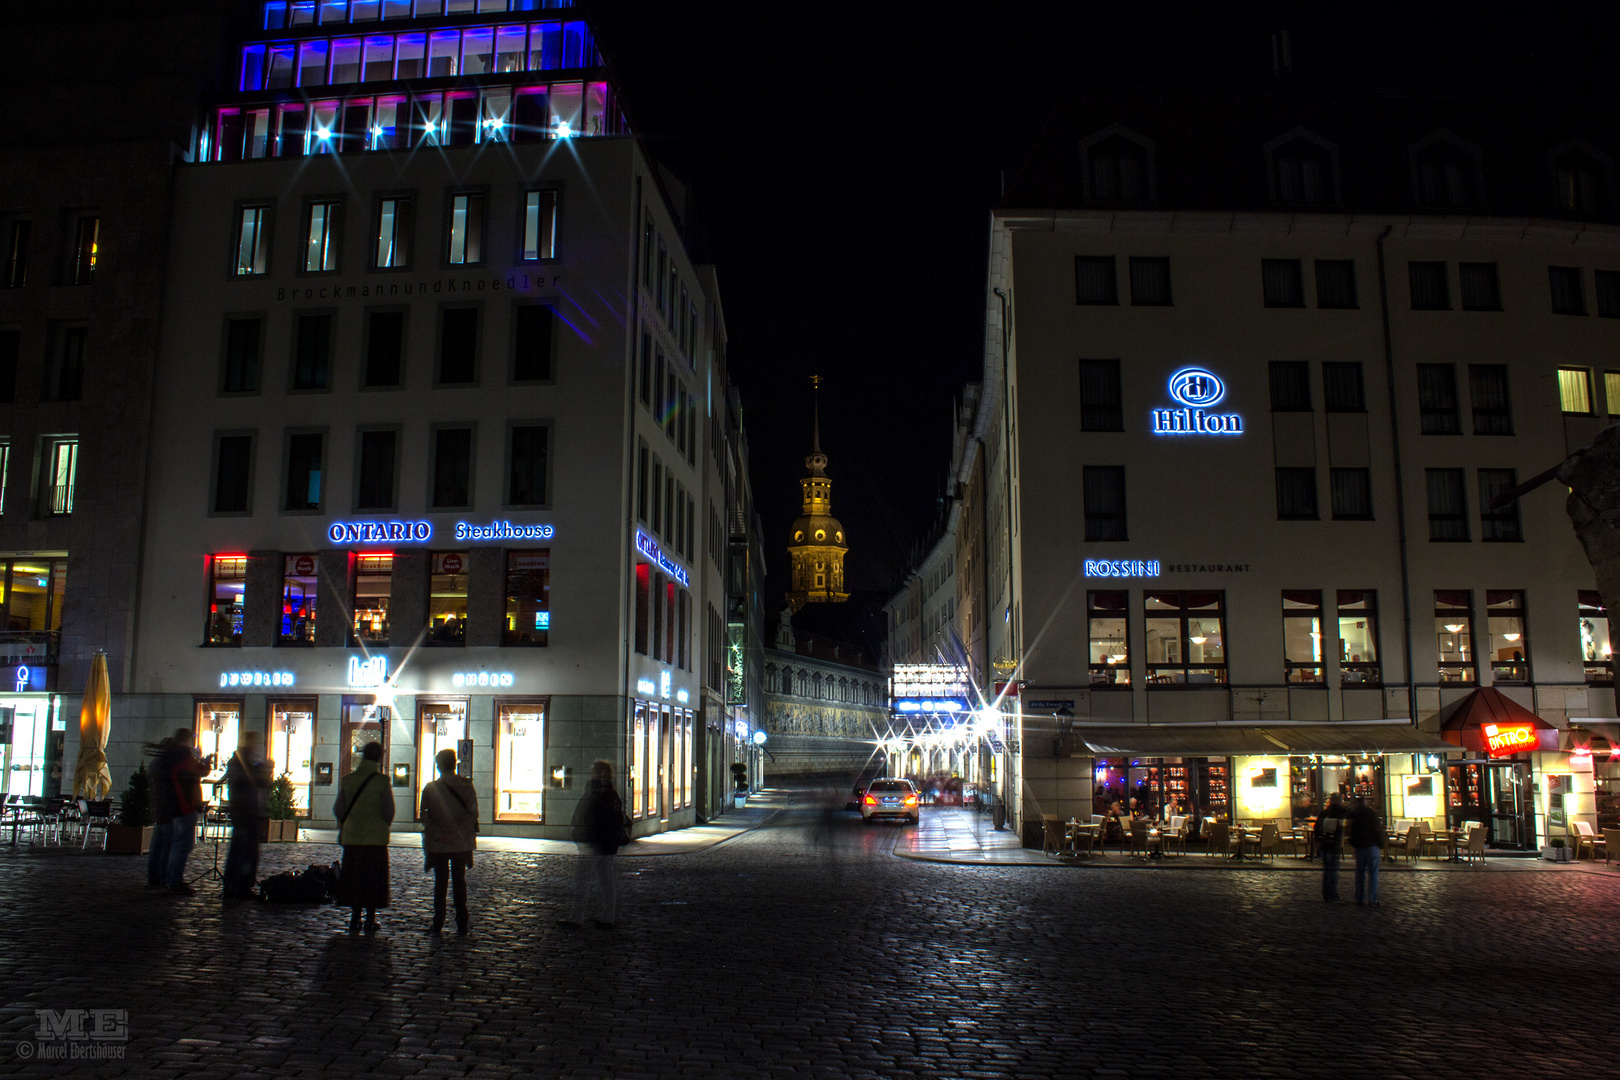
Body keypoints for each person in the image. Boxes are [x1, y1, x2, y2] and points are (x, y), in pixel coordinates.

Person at [335, 741, 395, 934]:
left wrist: (349, 821)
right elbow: (389, 811)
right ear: (379, 757)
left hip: (352, 839)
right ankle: (370, 918)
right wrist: (381, 823)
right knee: (373, 880)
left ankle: (354, 917)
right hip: (375, 840)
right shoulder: (382, 781)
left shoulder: (348, 780)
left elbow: (338, 808)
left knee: (354, 878)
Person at [560, 759, 627, 930]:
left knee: (582, 879)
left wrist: (584, 836)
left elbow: (591, 818)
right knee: (606, 880)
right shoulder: (611, 795)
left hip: (595, 844)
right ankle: (607, 917)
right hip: (606, 845)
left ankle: (576, 918)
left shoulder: (597, 794)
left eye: (596, 772)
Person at [420, 748, 478, 934]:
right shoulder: (467, 786)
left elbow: (425, 818)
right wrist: (457, 834)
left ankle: (438, 921)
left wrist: (439, 835)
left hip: (439, 844)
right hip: (460, 843)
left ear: (438, 766)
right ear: (455, 765)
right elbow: (472, 815)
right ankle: (462, 920)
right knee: (459, 882)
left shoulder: (430, 788)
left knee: (440, 883)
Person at [153, 729, 208, 896]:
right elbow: (201, 771)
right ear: (187, 741)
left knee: (175, 844)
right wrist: (206, 762)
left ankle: (168, 879)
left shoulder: (167, 756)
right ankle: (174, 880)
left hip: (173, 805)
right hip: (185, 805)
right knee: (182, 845)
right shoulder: (182, 756)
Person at [222, 731, 272, 902]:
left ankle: (236, 885)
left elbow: (260, 783)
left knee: (244, 850)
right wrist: (264, 771)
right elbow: (252, 782)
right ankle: (238, 886)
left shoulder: (244, 761)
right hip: (244, 811)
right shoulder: (241, 762)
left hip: (246, 810)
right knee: (243, 851)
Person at [1348, 795, 1384, 907]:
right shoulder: (1371, 814)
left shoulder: (1354, 815)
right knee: (1373, 873)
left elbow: (1351, 832)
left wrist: (1353, 844)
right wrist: (1381, 844)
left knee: (1360, 873)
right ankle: (1372, 899)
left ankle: (1359, 898)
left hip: (1360, 847)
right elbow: (1377, 830)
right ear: (1366, 803)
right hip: (1372, 846)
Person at [1314, 793, 1348, 902]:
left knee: (1327, 871)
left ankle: (1326, 894)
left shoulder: (1324, 813)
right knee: (1332, 871)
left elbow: (1316, 828)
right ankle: (1332, 895)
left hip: (1324, 845)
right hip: (1333, 845)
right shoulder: (1341, 813)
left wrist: (1318, 841)